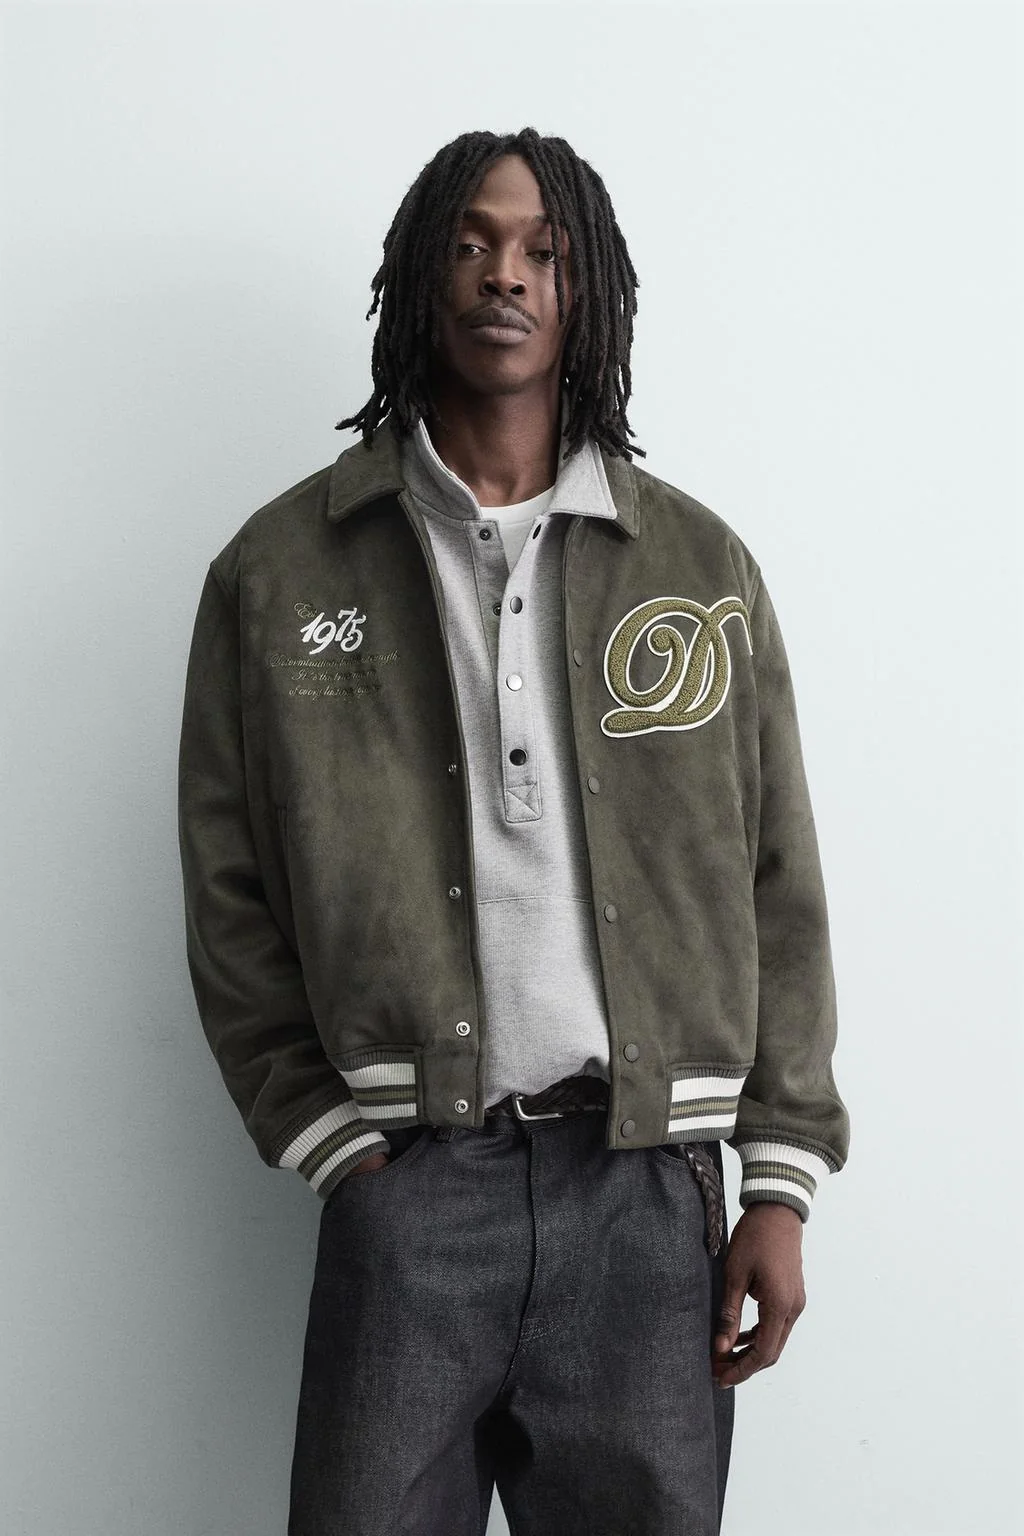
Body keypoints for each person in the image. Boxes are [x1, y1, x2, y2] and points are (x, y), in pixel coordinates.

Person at [177, 126, 850, 1536]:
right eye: (475, 244)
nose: (507, 275)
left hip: (648, 1194)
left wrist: (777, 1185)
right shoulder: (281, 569)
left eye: (545, 252)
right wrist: (326, 1140)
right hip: (409, 1184)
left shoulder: (697, 567)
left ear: (588, 290)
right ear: (423, 274)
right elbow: (226, 883)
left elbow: (778, 875)